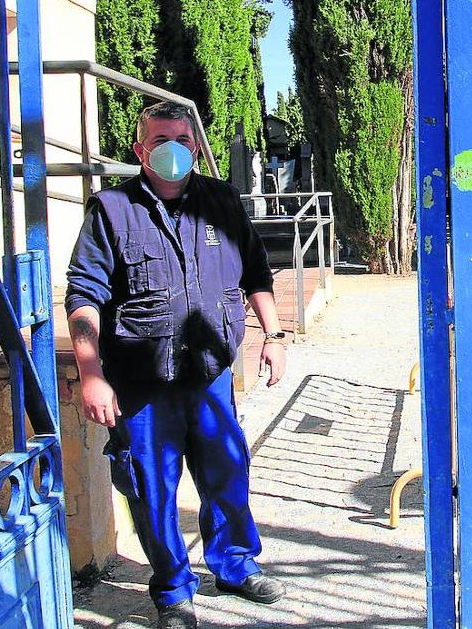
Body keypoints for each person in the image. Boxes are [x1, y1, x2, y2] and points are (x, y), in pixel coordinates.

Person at [65, 101, 288, 629]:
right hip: (142, 386)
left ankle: (234, 566)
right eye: (161, 139)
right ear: (141, 148)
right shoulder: (112, 211)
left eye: (184, 140)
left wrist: (274, 336)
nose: (174, 150)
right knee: (152, 488)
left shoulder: (222, 202)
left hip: (210, 377)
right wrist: (91, 374)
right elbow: (83, 296)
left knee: (228, 472)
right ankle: (172, 590)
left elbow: (255, 273)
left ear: (195, 145)